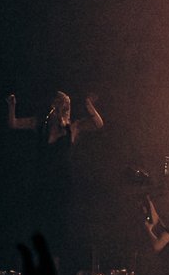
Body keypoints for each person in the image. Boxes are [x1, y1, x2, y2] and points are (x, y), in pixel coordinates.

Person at [6, 91, 104, 260]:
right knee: (39, 221)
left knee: (58, 223)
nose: (60, 109)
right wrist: (12, 106)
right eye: (57, 105)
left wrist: (89, 106)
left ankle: (56, 261)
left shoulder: (72, 128)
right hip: (42, 180)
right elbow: (14, 123)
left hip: (61, 182)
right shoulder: (40, 124)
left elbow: (98, 124)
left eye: (64, 106)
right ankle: (38, 259)